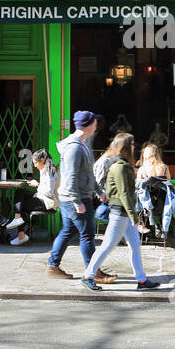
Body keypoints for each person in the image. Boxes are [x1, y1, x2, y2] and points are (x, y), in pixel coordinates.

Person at [81, 133, 162, 291]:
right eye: (131, 145)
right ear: (125, 148)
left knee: (134, 245)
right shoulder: (120, 166)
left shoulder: (121, 164)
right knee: (107, 246)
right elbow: (124, 193)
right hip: (120, 213)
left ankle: (142, 280)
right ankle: (88, 275)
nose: (134, 147)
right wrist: (134, 217)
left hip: (123, 213)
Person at [48, 111, 110, 280]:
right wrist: (77, 201)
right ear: (89, 125)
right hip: (75, 198)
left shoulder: (81, 144)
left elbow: (87, 173)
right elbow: (71, 176)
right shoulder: (74, 147)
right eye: (95, 123)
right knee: (88, 235)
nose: (96, 126)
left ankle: (53, 266)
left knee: (68, 231)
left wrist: (98, 191)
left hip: (74, 197)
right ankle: (93, 271)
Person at [5, 150, 59, 246]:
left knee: (19, 205)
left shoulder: (50, 171)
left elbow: (49, 192)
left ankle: (21, 234)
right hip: (42, 198)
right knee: (20, 192)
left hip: (47, 203)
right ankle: (18, 220)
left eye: (35, 162)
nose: (34, 165)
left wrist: (37, 184)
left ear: (42, 160)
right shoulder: (47, 169)